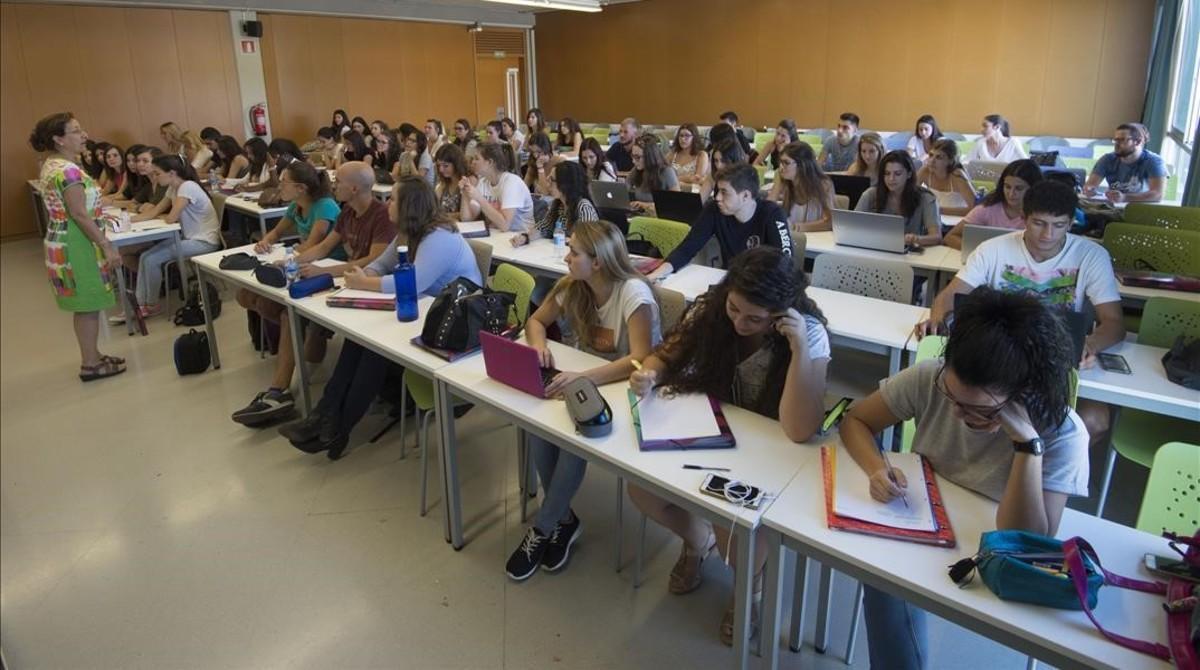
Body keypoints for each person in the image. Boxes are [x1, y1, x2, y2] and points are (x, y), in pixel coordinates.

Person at [845, 287, 1088, 670]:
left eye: (979, 409)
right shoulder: (931, 379)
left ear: (1024, 393)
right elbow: (856, 421)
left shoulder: (1064, 433)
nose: (957, 414)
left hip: (995, 550)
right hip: (922, 523)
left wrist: (1027, 445)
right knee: (881, 581)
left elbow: (1028, 543)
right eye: (951, 398)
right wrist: (876, 467)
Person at [630, 246, 830, 645]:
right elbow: (664, 356)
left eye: (755, 318)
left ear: (783, 312)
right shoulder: (712, 309)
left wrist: (800, 352)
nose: (740, 322)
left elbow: (798, 429)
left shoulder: (808, 333)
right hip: (710, 432)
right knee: (643, 491)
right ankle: (696, 543)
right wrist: (649, 375)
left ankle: (747, 590)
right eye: (735, 309)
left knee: (735, 537)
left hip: (770, 453)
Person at [278, 176, 483, 460]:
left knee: (373, 351)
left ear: (409, 205)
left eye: (394, 199)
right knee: (357, 339)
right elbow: (382, 264)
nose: (387, 203)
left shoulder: (440, 237)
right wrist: (368, 275)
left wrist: (364, 283)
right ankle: (324, 415)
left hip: (456, 320)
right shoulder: (408, 232)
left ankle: (339, 426)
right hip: (427, 311)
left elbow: (413, 282)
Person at [505, 220, 663, 580]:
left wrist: (583, 377)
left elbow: (640, 357)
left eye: (574, 252)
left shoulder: (634, 295)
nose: (566, 257)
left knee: (576, 437)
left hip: (629, 388)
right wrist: (540, 346)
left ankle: (543, 528)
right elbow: (536, 322)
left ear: (598, 262)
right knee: (538, 422)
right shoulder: (573, 286)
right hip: (583, 379)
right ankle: (565, 519)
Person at [916, 180, 1124, 451]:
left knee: (1095, 420)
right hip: (999, 355)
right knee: (959, 398)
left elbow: (1115, 323)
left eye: (1059, 225)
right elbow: (950, 295)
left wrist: (1089, 344)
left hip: (1054, 360)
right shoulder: (994, 249)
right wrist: (937, 317)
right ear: (1024, 218)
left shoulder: (1091, 255)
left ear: (1072, 222)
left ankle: (1043, 479)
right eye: (1039, 223)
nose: (1048, 234)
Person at [232, 162, 393, 426]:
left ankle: (280, 390)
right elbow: (324, 246)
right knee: (283, 309)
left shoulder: (381, 215)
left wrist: (325, 271)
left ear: (353, 188)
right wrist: (293, 262)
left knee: (289, 313)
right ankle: (279, 390)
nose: (332, 185)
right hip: (347, 278)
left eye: (338, 181)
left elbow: (373, 261)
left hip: (370, 285)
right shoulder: (347, 212)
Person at [31, 112, 126, 381]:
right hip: (77, 243)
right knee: (88, 304)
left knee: (85, 304)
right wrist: (105, 244)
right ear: (58, 139)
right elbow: (79, 214)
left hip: (62, 239)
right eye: (76, 131)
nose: (84, 135)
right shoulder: (68, 171)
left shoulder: (52, 164)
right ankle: (90, 364)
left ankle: (93, 355)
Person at [648, 164, 793, 281]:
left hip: (765, 284)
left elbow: (785, 263)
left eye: (724, 192)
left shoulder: (773, 214)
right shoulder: (714, 210)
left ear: (745, 196)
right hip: (731, 280)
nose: (717, 197)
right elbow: (688, 247)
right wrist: (657, 273)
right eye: (717, 191)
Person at [127, 154, 221, 316]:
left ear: (172, 173)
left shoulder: (187, 187)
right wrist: (127, 223)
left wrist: (160, 216)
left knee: (152, 259)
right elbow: (155, 213)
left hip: (204, 241)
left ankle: (151, 305)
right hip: (189, 239)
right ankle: (140, 303)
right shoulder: (173, 188)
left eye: (157, 173)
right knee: (145, 257)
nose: (155, 177)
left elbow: (170, 218)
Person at [943, 159, 1043, 249]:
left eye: (1019, 188)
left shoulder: (1042, 216)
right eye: (1007, 187)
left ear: (1033, 189)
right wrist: (983, 254)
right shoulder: (988, 208)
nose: (1011, 194)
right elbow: (950, 237)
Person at [854, 150, 941, 247]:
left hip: (911, 254)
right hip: (875, 248)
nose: (891, 179)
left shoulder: (926, 198)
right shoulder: (870, 194)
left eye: (897, 173)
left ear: (909, 174)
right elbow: (852, 227)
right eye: (887, 173)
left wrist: (917, 239)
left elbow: (936, 236)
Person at [512, 161, 599, 247]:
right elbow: (543, 228)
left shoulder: (583, 207)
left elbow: (586, 242)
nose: (547, 183)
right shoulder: (558, 204)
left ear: (566, 184)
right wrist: (525, 238)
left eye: (552, 180)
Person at [1083, 122, 1167, 203]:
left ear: (1137, 142)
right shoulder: (1107, 159)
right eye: (1115, 140)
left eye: (1122, 140)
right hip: (1114, 207)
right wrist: (1089, 189)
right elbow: (1090, 185)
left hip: (1141, 208)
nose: (1116, 144)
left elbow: (1157, 194)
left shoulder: (1154, 161)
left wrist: (1125, 197)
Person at [462, 142, 534, 232]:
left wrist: (479, 199)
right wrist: (464, 193)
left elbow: (505, 225)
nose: (473, 162)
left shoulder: (511, 182)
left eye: (477, 159)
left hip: (521, 237)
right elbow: (467, 220)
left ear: (490, 162)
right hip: (498, 236)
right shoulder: (483, 182)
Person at [768, 142, 835, 233]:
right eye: (780, 162)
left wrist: (796, 227)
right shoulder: (786, 181)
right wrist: (778, 182)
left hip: (816, 239)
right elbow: (768, 207)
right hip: (792, 237)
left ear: (802, 164)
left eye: (786, 163)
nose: (780, 167)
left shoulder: (823, 184)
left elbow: (829, 223)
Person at [916, 138, 975, 215]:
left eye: (939, 157)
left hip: (958, 220)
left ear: (950, 161)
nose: (932, 161)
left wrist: (939, 210)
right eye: (931, 155)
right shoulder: (925, 171)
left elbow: (975, 208)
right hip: (936, 218)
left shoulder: (957, 175)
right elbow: (909, 195)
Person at [627, 134, 679, 212]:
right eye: (632, 156)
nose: (633, 161)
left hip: (660, 218)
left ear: (650, 156)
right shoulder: (636, 170)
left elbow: (676, 204)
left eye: (637, 157)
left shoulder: (667, 172)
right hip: (641, 215)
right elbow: (625, 190)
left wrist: (645, 205)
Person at [699, 134, 748, 204]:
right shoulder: (713, 176)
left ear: (733, 160)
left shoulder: (744, 179)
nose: (719, 166)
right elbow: (700, 201)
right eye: (716, 160)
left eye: (723, 161)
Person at [666, 123, 711, 188]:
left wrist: (674, 179)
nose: (683, 139)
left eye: (687, 136)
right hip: (672, 191)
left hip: (692, 192)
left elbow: (697, 179)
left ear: (694, 137)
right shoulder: (672, 154)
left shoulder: (702, 155)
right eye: (681, 136)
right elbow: (663, 175)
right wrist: (688, 178)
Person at [433, 144, 472, 217]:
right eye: (439, 165)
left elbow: (469, 215)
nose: (441, 169)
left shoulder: (469, 181)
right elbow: (433, 208)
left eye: (445, 166)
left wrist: (443, 216)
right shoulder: (443, 183)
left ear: (456, 164)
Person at [521, 132, 561, 197]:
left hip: (555, 201)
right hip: (542, 201)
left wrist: (540, 168)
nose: (535, 156)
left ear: (546, 148)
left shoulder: (559, 161)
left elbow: (545, 192)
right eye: (533, 152)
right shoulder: (533, 164)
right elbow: (523, 188)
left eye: (539, 152)